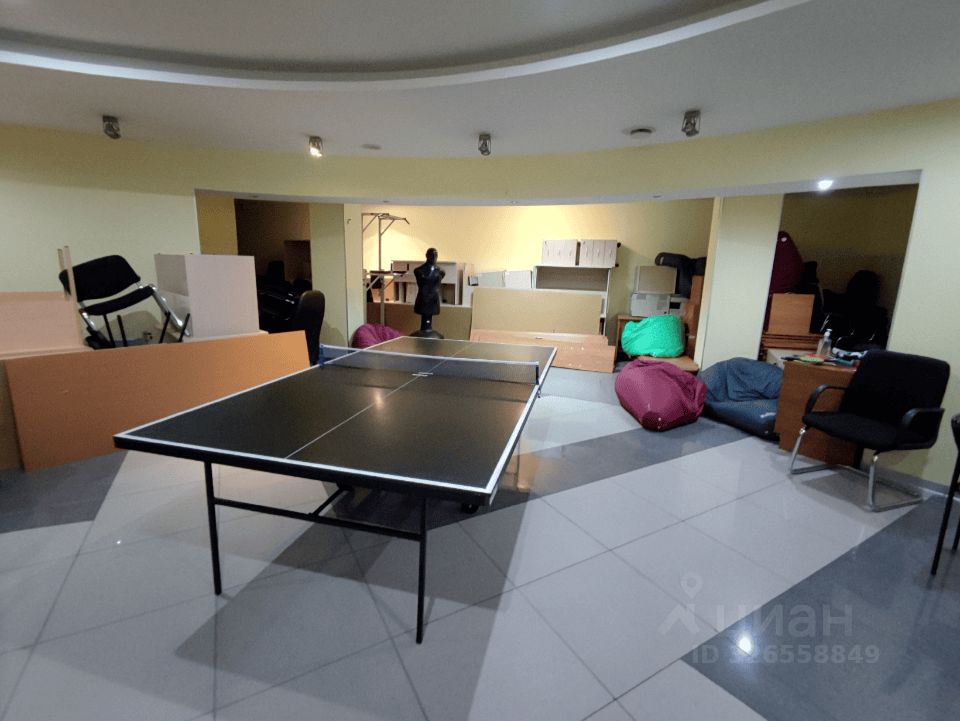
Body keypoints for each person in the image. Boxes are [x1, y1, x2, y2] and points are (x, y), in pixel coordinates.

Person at [412, 247, 445, 338]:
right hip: (422, 299)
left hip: (433, 300)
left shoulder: (440, 271)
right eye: (431, 254)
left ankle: (427, 328)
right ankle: (425, 329)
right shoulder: (418, 271)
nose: (434, 257)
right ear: (426, 255)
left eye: (435, 255)